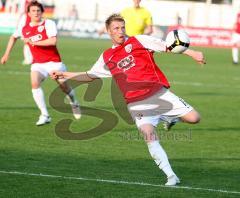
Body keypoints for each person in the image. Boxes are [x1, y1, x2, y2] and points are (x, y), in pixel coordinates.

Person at [51, 14, 206, 186]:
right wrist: (64, 74)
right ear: (109, 32)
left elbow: (168, 46)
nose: (120, 31)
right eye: (116, 29)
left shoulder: (139, 41)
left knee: (194, 118)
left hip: (158, 93)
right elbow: (90, 75)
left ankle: (171, 118)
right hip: (136, 103)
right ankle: (171, 176)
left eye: (122, 27)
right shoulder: (107, 56)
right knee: (149, 135)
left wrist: (193, 53)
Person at [1, 1, 81, 126]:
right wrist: (6, 54)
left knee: (64, 87)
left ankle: (74, 102)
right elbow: (13, 37)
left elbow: (52, 41)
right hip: (38, 64)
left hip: (54, 63)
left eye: (38, 11)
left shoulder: (49, 23)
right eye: (33, 11)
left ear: (42, 12)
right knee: (34, 83)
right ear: (28, 13)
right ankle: (45, 114)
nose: (36, 13)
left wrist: (33, 42)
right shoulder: (24, 28)